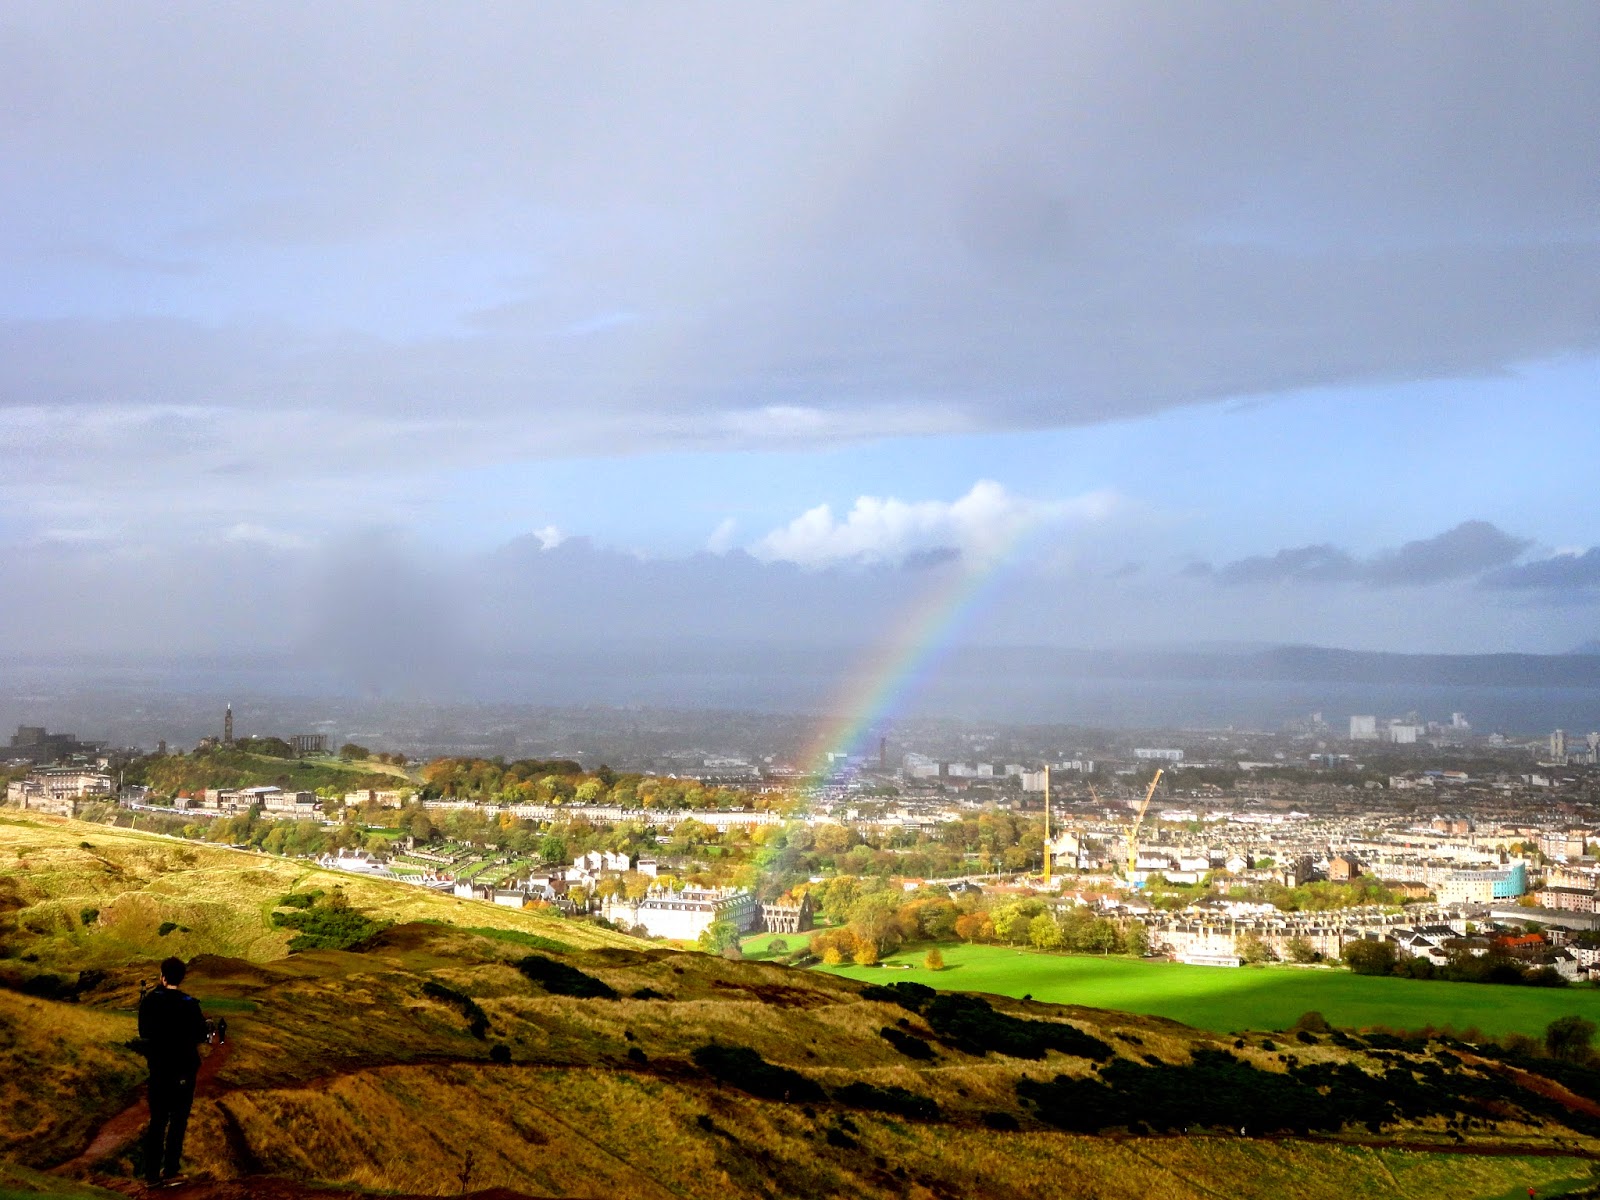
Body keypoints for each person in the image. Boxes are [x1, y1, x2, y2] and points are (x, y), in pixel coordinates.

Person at [138, 956, 212, 1189]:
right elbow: (202, 1036)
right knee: (178, 1120)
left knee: (157, 1121)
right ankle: (170, 1171)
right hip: (183, 1070)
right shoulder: (190, 1004)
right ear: (182, 978)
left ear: (162, 976)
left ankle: (151, 1175)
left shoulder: (150, 1001)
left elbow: (144, 1032)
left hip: (159, 1069)